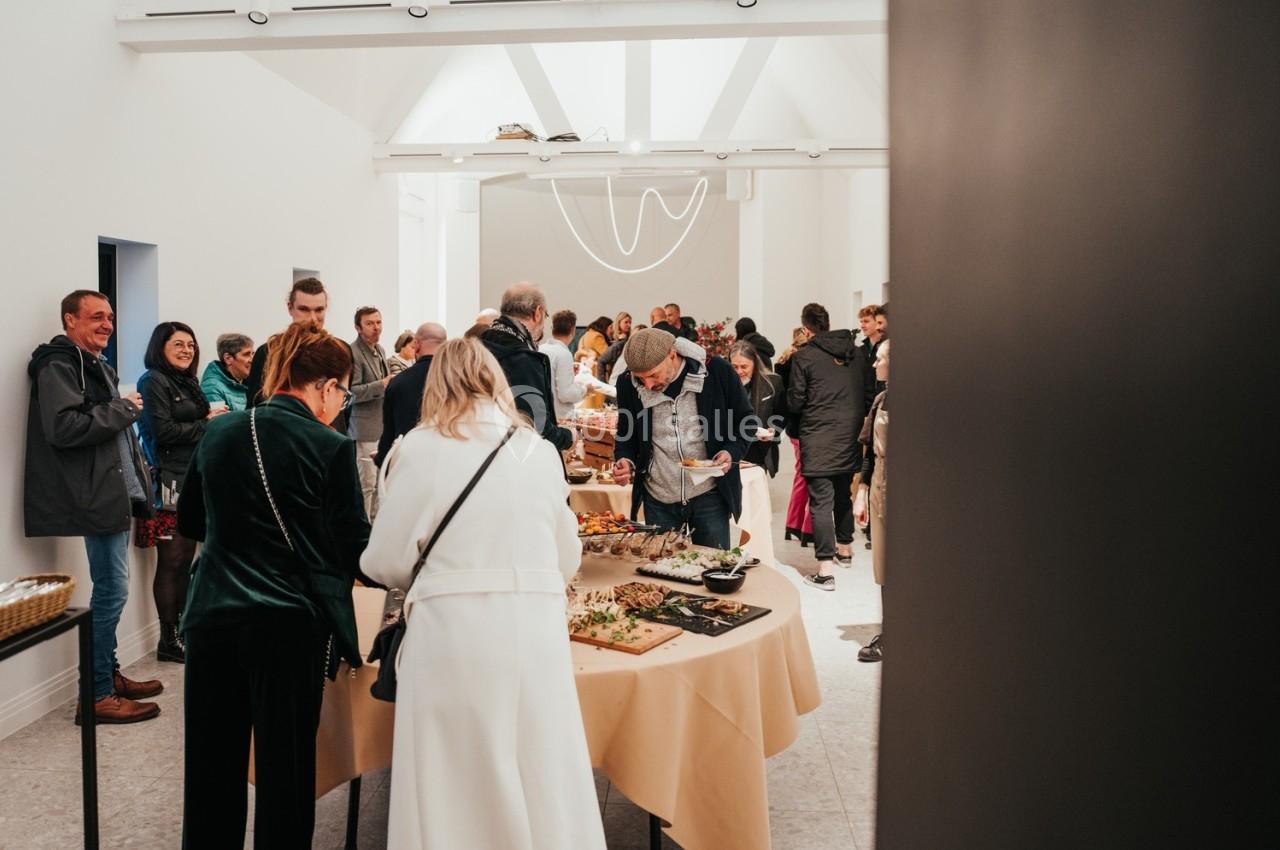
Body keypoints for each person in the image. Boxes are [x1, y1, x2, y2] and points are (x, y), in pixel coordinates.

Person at [360, 338, 607, 850]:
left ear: (437, 385)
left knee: (451, 781)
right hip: (535, 632)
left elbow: (385, 562)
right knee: (541, 768)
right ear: (495, 382)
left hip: (451, 636)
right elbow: (566, 559)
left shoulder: (418, 448)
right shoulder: (537, 451)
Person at [177, 320, 371, 850]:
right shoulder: (330, 447)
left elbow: (191, 522)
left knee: (211, 769)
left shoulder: (218, 431)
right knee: (285, 776)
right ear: (326, 386)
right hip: (287, 627)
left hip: (213, 617)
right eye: (343, 391)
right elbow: (356, 552)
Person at [25, 290, 163, 724]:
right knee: (112, 592)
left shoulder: (92, 364)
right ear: (70, 320)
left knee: (111, 591)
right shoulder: (59, 364)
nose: (107, 324)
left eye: (110, 317)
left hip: (112, 493)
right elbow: (63, 427)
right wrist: (124, 409)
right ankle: (98, 694)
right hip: (95, 495)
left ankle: (110, 675)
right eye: (96, 317)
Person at [612, 328, 753, 549]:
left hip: (710, 494)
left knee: (711, 569)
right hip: (658, 497)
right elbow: (625, 434)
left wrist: (731, 452)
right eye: (641, 378)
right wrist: (625, 460)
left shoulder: (716, 372)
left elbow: (747, 422)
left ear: (672, 354)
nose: (648, 385)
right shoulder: (627, 384)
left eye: (653, 375)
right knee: (661, 572)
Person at [136, 321, 224, 664]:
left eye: (190, 344)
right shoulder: (153, 381)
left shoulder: (186, 380)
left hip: (194, 476)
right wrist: (209, 423)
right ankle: (168, 640)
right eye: (179, 345)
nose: (187, 350)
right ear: (160, 348)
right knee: (172, 562)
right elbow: (164, 432)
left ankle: (187, 631)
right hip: (170, 481)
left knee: (186, 560)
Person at [787, 303, 867, 591]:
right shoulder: (855, 353)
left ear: (806, 329)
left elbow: (796, 400)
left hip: (818, 435)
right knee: (843, 493)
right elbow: (866, 392)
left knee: (821, 501)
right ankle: (845, 550)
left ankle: (825, 571)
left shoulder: (805, 356)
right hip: (850, 436)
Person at [481, 282, 576, 452]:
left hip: (480, 450)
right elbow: (537, 427)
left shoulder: (477, 346)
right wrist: (568, 437)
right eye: (545, 315)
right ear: (537, 313)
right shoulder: (525, 359)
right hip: (515, 456)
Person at [854, 340, 890, 662]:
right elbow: (869, 451)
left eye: (880, 359)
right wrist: (862, 492)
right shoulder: (881, 399)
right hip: (880, 483)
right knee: (883, 563)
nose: (875, 363)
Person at [244, 277, 329, 407]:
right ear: (290, 308)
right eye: (304, 309)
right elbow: (255, 407)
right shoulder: (268, 353)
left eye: (319, 310)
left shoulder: (339, 353)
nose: (312, 318)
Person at [376, 322, 447, 466]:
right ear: (445, 346)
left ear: (416, 344)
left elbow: (389, 431)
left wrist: (381, 459)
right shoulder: (456, 381)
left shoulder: (398, 382)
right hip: (446, 461)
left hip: (408, 463)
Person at [349, 306, 391, 517]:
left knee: (380, 484)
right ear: (358, 327)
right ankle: (364, 531)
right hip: (365, 429)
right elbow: (351, 393)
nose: (376, 328)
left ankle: (377, 528)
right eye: (370, 323)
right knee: (367, 486)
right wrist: (382, 385)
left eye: (378, 322)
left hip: (382, 426)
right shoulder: (354, 353)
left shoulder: (381, 350)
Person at [776, 328, 814, 546]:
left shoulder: (785, 360)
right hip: (806, 427)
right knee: (810, 478)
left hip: (794, 428)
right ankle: (806, 527)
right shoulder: (806, 362)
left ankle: (793, 524)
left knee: (802, 475)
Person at [729, 340, 786, 477]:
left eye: (744, 367)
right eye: (734, 367)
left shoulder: (772, 383)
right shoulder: (725, 385)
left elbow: (782, 413)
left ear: (754, 364)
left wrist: (774, 431)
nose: (739, 371)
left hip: (759, 451)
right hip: (731, 450)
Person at [540, 309, 589, 421]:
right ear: (573, 330)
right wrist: (584, 389)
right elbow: (565, 394)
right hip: (559, 419)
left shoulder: (540, 349)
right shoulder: (564, 354)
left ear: (552, 329)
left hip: (543, 415)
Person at [199, 332, 254, 412]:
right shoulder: (212, 387)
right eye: (246, 354)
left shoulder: (248, 382)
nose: (252, 360)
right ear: (228, 358)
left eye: (253, 354)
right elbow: (219, 422)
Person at [598, 310, 632, 382]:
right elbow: (601, 360)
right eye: (626, 322)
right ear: (619, 323)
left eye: (630, 322)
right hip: (616, 380)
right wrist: (602, 382)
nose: (629, 325)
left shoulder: (626, 340)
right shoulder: (619, 343)